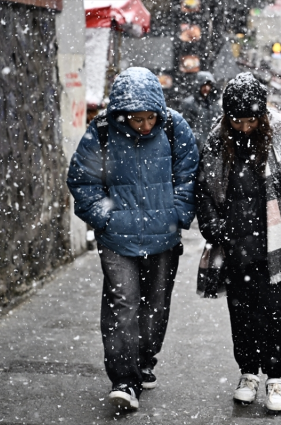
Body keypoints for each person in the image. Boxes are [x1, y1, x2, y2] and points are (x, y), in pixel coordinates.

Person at [67, 67, 198, 411]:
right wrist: (104, 217)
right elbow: (82, 180)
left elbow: (190, 173)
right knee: (122, 305)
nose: (145, 126)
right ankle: (123, 380)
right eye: (138, 120)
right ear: (123, 115)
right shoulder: (103, 133)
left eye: (150, 118)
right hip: (117, 239)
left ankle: (144, 360)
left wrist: (178, 213)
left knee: (155, 306)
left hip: (163, 236)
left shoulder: (173, 126)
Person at [195, 73, 281, 413]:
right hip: (235, 244)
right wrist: (213, 226)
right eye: (238, 120)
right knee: (242, 311)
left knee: (275, 310)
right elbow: (204, 189)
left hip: (276, 243)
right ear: (228, 116)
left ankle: (276, 377)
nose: (245, 127)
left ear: (262, 115)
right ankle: (248, 372)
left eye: (251, 120)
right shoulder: (217, 140)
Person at [181, 71, 222, 151]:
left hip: (212, 148)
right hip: (196, 147)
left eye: (208, 85)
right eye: (203, 85)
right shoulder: (189, 104)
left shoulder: (216, 105)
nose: (206, 88)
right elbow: (187, 126)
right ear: (198, 86)